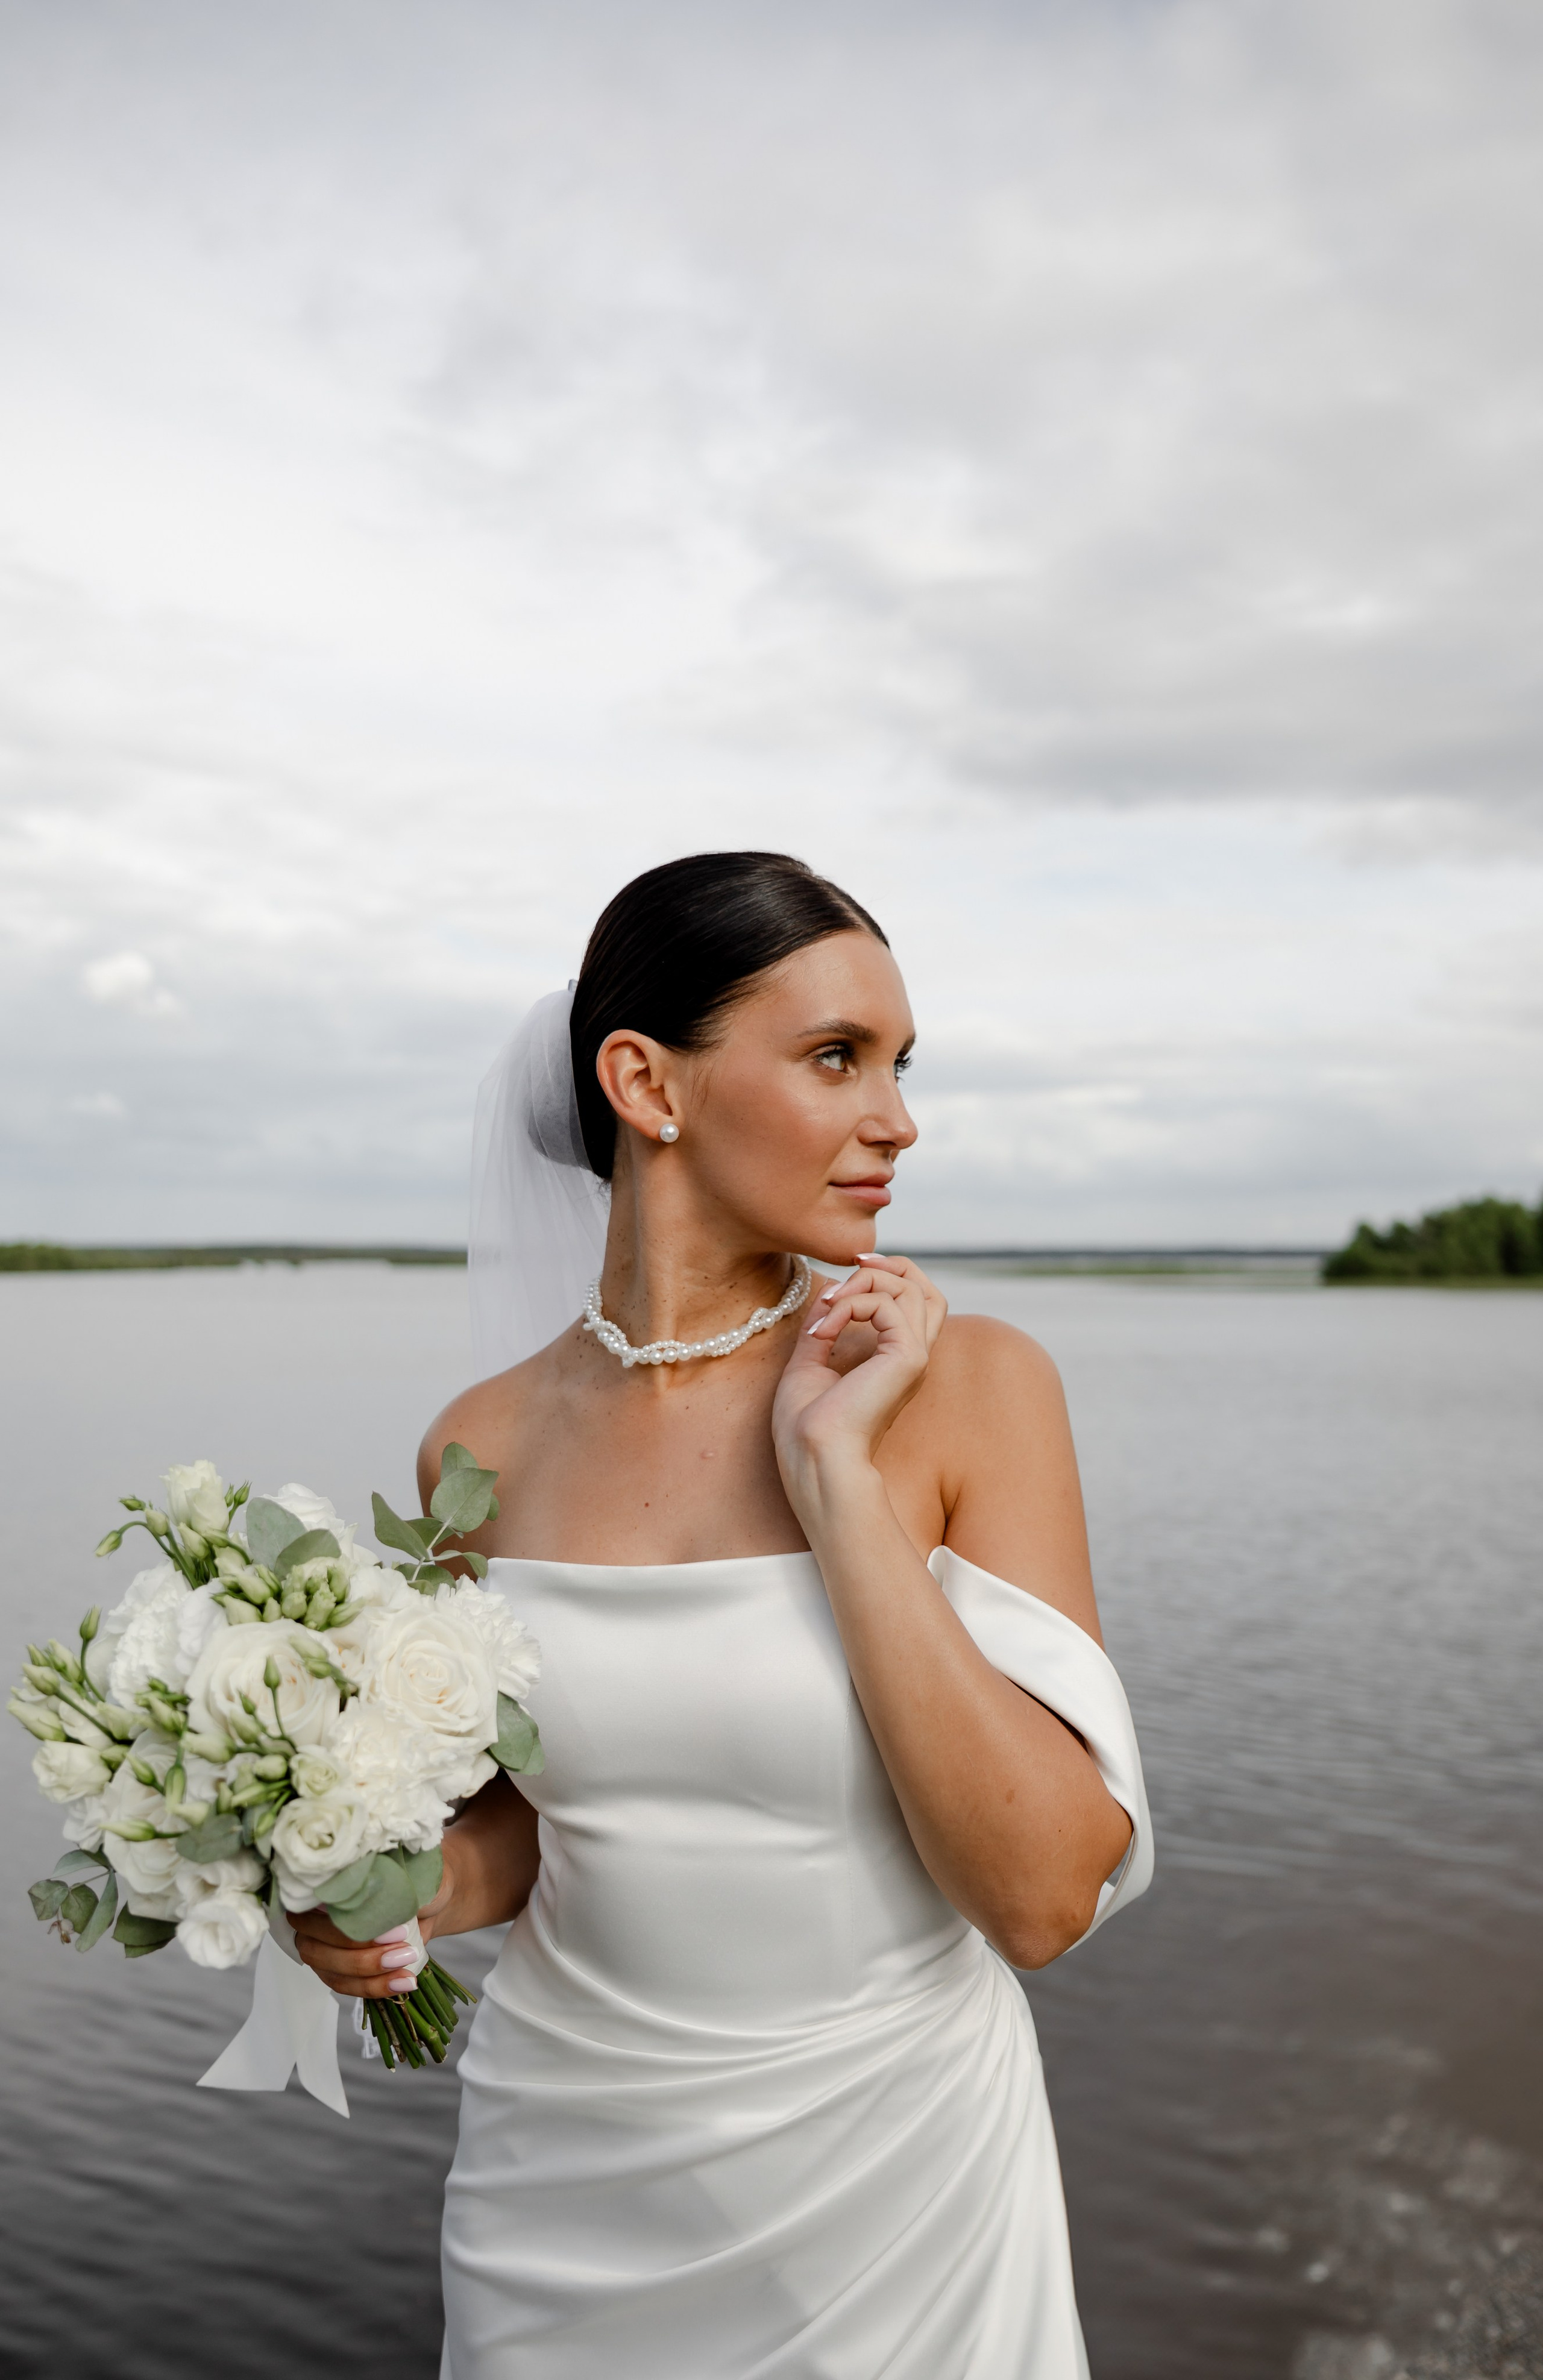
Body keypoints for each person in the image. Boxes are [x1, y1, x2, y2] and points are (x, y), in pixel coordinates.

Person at [293, 850, 1152, 2378]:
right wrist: (384, 1895)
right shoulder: (477, 1446)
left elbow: (1040, 1899)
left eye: (897, 1063)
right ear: (646, 1083)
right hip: (562, 2191)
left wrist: (837, 1481)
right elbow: (540, 1822)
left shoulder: (964, 1387)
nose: (895, 1118)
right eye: (834, 1056)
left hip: (895, 2202)